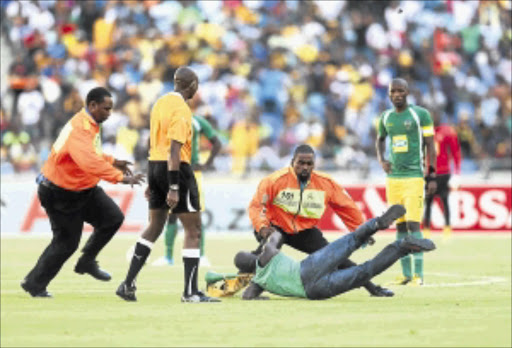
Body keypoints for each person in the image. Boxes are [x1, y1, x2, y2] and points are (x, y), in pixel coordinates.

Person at [20, 87, 145, 298]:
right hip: (60, 192)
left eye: (110, 109)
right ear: (93, 105)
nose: (109, 113)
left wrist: (114, 161)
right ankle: (34, 284)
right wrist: (120, 177)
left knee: (113, 218)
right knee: (66, 243)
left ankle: (86, 261)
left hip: (81, 187)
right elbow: (89, 162)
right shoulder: (80, 128)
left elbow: (91, 154)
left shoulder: (89, 124)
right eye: (106, 109)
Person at [116, 66, 219, 303]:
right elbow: (174, 149)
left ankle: (128, 283)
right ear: (190, 84)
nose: (197, 89)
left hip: (155, 165)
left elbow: (155, 144)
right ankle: (190, 292)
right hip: (177, 169)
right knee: (193, 230)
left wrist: (154, 180)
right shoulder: (182, 110)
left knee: (154, 226)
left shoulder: (159, 104)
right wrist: (173, 187)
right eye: (196, 84)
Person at [248, 144, 394, 297]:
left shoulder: (325, 183)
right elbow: (256, 206)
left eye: (309, 164)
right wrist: (263, 227)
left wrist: (362, 230)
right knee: (270, 247)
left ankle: (373, 288)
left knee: (338, 259)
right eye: (301, 163)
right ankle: (251, 288)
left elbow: (347, 207)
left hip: (305, 232)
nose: (305, 167)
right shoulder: (274, 180)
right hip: (275, 227)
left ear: (314, 164)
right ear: (293, 162)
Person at [235, 205, 436, 300]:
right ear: (253, 256)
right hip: (307, 269)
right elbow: (277, 236)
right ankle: (377, 222)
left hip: (314, 292)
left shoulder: (258, 282)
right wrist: (264, 241)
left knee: (365, 272)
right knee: (351, 241)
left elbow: (247, 297)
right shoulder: (267, 253)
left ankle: (402, 248)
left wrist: (253, 288)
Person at [375, 78, 437, 286]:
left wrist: (432, 175)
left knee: (412, 224)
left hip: (413, 177)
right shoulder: (386, 117)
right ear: (389, 94)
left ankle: (418, 275)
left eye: (401, 91)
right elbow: (380, 139)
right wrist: (381, 159)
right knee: (400, 226)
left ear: (407, 92)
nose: (397, 94)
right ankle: (405, 274)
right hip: (393, 180)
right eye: (394, 91)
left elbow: (430, 145)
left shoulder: (420, 115)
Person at [151, 114, 221, 267]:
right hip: (173, 172)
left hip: (192, 173)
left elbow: (217, 143)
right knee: (171, 214)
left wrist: (206, 164)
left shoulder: (196, 121)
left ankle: (201, 256)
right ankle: (168, 257)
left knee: (195, 215)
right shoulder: (170, 121)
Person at [423, 111, 462, 240]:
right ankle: (426, 229)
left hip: (443, 172)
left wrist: (457, 172)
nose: (434, 118)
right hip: (429, 172)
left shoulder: (447, 131)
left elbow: (455, 151)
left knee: (445, 200)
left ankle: (447, 228)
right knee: (428, 201)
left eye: (435, 115)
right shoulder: (424, 132)